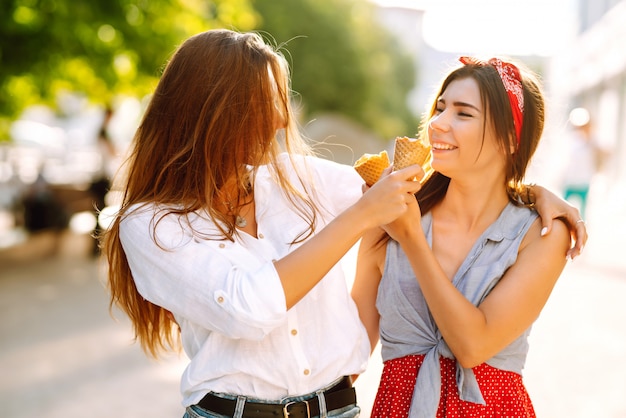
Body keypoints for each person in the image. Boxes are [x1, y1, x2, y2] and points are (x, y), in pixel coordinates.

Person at [102, 31, 586, 418]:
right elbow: (249, 306)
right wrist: (364, 217)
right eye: (263, 103)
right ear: (211, 113)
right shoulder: (151, 224)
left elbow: (395, 186)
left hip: (336, 410)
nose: (278, 121)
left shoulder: (295, 179)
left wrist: (532, 192)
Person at [352, 57, 577, 418]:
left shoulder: (543, 233)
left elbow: (473, 346)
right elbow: (348, 353)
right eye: (440, 108)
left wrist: (412, 239)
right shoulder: (387, 216)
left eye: (463, 114)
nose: (437, 124)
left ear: (508, 138)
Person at [561, 107, 603, 220]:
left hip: (584, 181)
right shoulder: (572, 139)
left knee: (583, 212)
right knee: (564, 208)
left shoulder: (593, 140)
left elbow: (602, 153)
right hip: (570, 180)